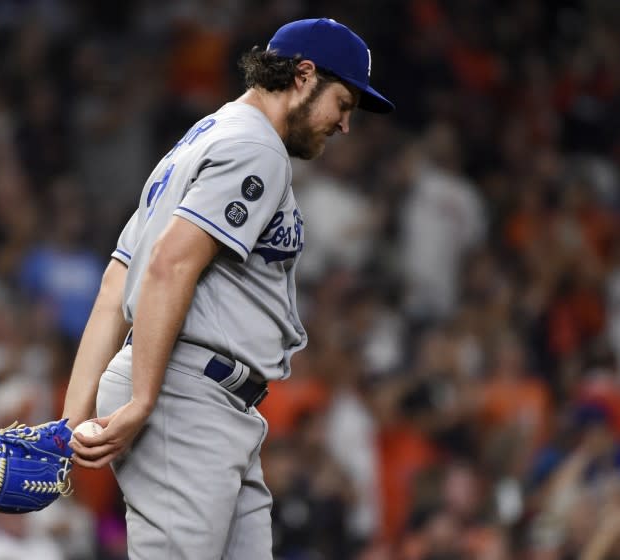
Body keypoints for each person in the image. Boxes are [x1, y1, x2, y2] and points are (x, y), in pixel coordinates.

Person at [63, 18, 394, 559]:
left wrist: (70, 422)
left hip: (204, 399)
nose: (345, 124)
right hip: (184, 392)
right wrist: (144, 400)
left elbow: (114, 282)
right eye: (344, 103)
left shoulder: (199, 140)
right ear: (304, 76)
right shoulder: (254, 147)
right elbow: (169, 265)